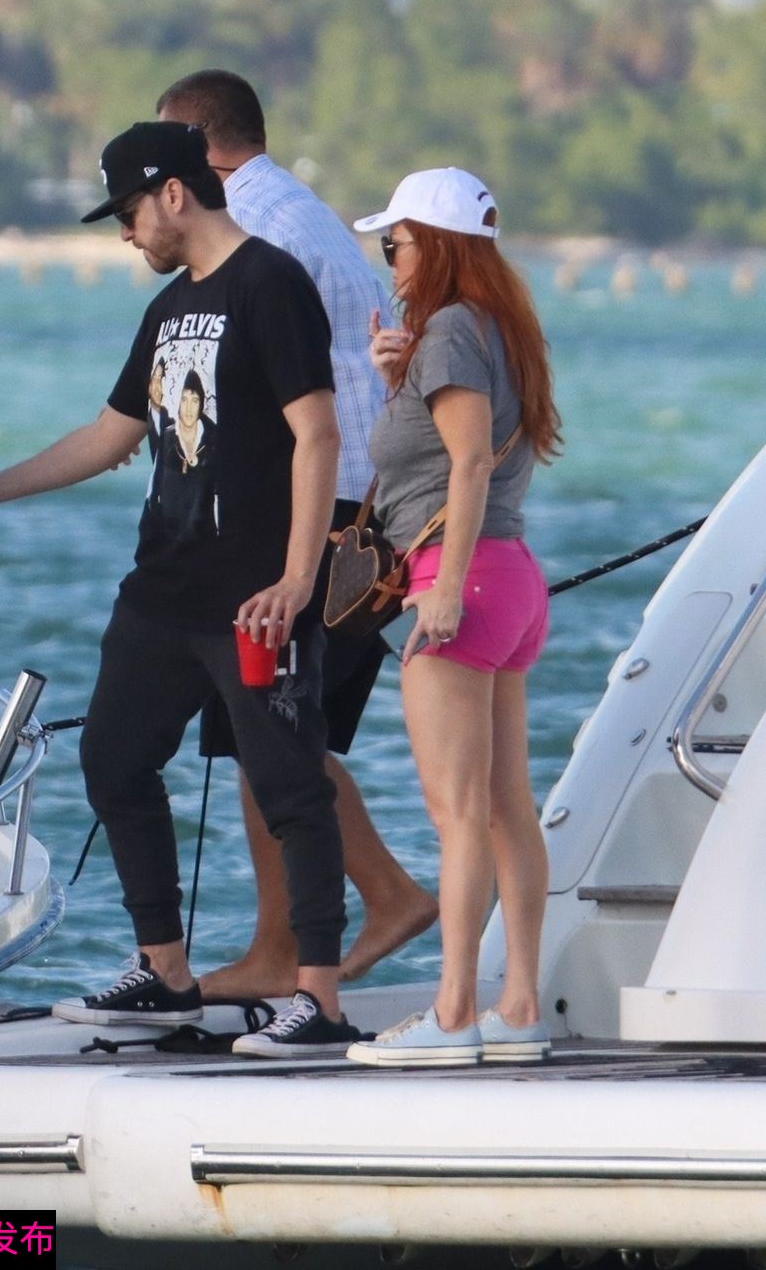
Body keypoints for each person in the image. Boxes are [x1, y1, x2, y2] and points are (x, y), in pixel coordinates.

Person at [0, 122, 359, 1057]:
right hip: (163, 588)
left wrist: (297, 577)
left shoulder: (270, 282)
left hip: (255, 595)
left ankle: (319, 1002)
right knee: (113, 761)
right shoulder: (168, 309)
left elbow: (317, 433)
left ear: (173, 193)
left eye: (127, 211)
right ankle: (165, 974)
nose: (124, 232)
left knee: (289, 787)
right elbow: (110, 434)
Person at [155, 68, 436, 999]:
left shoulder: (251, 227)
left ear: (198, 150)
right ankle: (325, 923)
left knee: (267, 729)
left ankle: (352, 914)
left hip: (321, 510)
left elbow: (259, 387)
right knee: (272, 732)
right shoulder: (295, 209)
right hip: (358, 505)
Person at [344, 169, 560, 1066]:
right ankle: (519, 1008)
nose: (388, 260)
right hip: (511, 581)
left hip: (459, 586)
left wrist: (443, 587)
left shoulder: (449, 331)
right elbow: (453, 456)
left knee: (459, 813)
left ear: (432, 244)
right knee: (507, 808)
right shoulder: (500, 329)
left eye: (393, 243)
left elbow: (468, 465)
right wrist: (398, 379)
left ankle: (453, 1012)